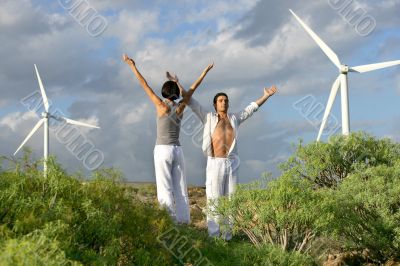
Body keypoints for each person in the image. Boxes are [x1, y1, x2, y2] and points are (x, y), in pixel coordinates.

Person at [123, 54, 213, 223]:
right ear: (177, 93)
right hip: (177, 150)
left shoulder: (160, 105)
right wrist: (204, 72)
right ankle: (184, 221)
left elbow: (145, 85)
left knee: (165, 188)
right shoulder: (180, 107)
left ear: (164, 91)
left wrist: (132, 66)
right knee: (180, 188)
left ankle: (168, 222)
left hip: (163, 150)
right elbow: (193, 88)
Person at [188, 80, 277, 239]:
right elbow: (192, 102)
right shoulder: (208, 117)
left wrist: (265, 96)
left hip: (232, 163)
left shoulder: (234, 118)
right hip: (215, 162)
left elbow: (251, 109)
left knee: (231, 199)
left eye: (226, 100)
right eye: (221, 100)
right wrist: (179, 85)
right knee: (214, 199)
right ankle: (214, 236)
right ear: (215, 104)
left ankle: (227, 236)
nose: (224, 102)